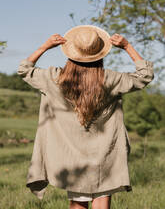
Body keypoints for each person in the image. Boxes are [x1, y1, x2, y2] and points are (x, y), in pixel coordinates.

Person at [17, 25, 154, 209]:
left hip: (72, 160)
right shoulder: (111, 79)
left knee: (77, 204)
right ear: (100, 54)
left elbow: (25, 69)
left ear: (72, 53)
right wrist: (127, 46)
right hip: (105, 156)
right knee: (102, 203)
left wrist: (46, 46)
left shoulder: (54, 78)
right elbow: (145, 75)